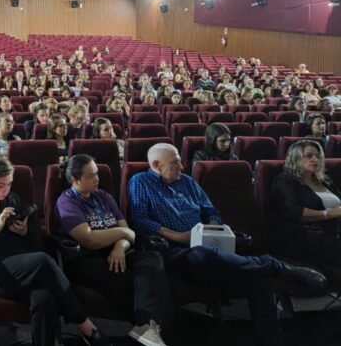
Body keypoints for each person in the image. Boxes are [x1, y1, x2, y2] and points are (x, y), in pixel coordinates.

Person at [128, 143, 327, 346]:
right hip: (176, 253)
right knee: (202, 254)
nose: (181, 166)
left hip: (212, 248)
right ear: (156, 165)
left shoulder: (187, 182)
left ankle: (271, 340)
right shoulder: (141, 182)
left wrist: (212, 229)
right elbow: (141, 220)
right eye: (175, 162)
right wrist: (180, 237)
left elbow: (210, 211)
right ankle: (275, 265)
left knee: (259, 277)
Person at [0, 157, 112, 346]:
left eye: (9, 184)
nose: (6, 190)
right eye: (1, 185)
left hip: (22, 263)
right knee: (43, 260)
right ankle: (84, 325)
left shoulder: (11, 199)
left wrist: (24, 231)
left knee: (44, 298)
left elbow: (32, 236)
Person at [55, 155, 171, 346]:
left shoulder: (104, 196)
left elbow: (127, 232)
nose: (97, 179)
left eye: (97, 174)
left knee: (152, 259)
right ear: (75, 180)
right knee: (142, 283)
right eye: (90, 176)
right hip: (88, 258)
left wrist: (119, 246)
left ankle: (145, 329)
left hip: (118, 253)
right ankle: (148, 329)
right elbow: (89, 239)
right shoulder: (67, 202)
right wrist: (123, 233)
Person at [269, 140, 341, 267]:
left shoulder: (324, 180)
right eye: (309, 156)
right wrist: (328, 214)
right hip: (309, 237)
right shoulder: (284, 180)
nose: (315, 159)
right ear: (295, 158)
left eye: (318, 156)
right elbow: (294, 212)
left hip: (335, 231)